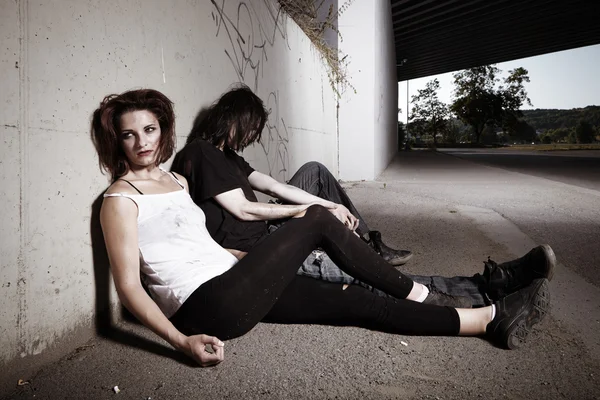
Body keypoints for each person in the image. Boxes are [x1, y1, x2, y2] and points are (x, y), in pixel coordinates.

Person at [92, 88, 551, 367]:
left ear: (161, 130)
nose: (141, 143)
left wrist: (261, 265)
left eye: (149, 130)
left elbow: (205, 244)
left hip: (235, 282)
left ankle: (489, 319)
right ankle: (425, 289)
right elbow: (130, 288)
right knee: (316, 219)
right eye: (130, 135)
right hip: (204, 307)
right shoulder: (119, 199)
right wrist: (180, 341)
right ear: (119, 141)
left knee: (362, 301)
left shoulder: (175, 180)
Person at [171, 85, 556, 308]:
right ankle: (488, 289)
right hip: (264, 247)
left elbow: (274, 186)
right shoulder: (199, 154)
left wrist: (328, 204)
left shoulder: (230, 158)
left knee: (316, 174)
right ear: (234, 118)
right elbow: (242, 208)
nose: (252, 137)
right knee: (381, 281)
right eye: (251, 129)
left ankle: (369, 244)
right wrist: (309, 213)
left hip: (272, 233)